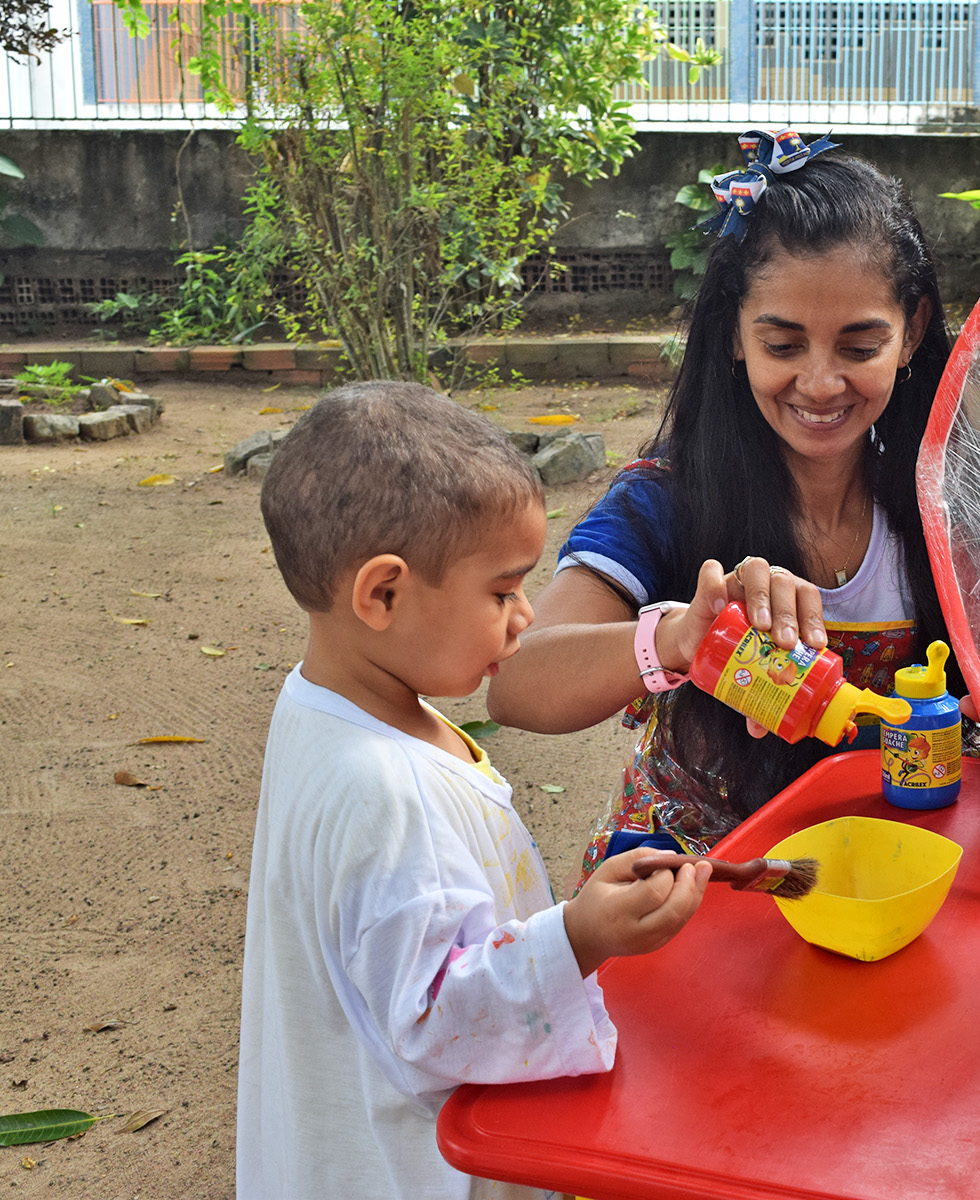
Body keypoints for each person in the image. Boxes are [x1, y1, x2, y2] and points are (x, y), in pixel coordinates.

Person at [237, 382, 711, 1200]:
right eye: (501, 592)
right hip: (418, 1174)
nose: (525, 617)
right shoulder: (382, 790)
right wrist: (580, 938)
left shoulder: (326, 703)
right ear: (382, 594)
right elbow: (429, 1018)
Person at [487, 130, 978, 879]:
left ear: (911, 332)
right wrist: (681, 637)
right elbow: (519, 683)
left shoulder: (947, 501)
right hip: (690, 886)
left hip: (880, 873)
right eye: (783, 345)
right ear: (734, 335)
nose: (821, 384)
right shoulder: (665, 498)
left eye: (859, 347)